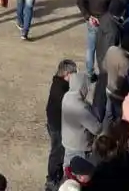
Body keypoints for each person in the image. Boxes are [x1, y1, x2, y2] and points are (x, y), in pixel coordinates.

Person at [45, 61, 78, 189]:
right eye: (73, 74)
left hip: (55, 123)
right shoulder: (61, 91)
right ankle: (52, 179)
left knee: (58, 152)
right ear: (66, 74)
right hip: (57, 126)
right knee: (57, 153)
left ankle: (55, 176)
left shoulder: (59, 83)